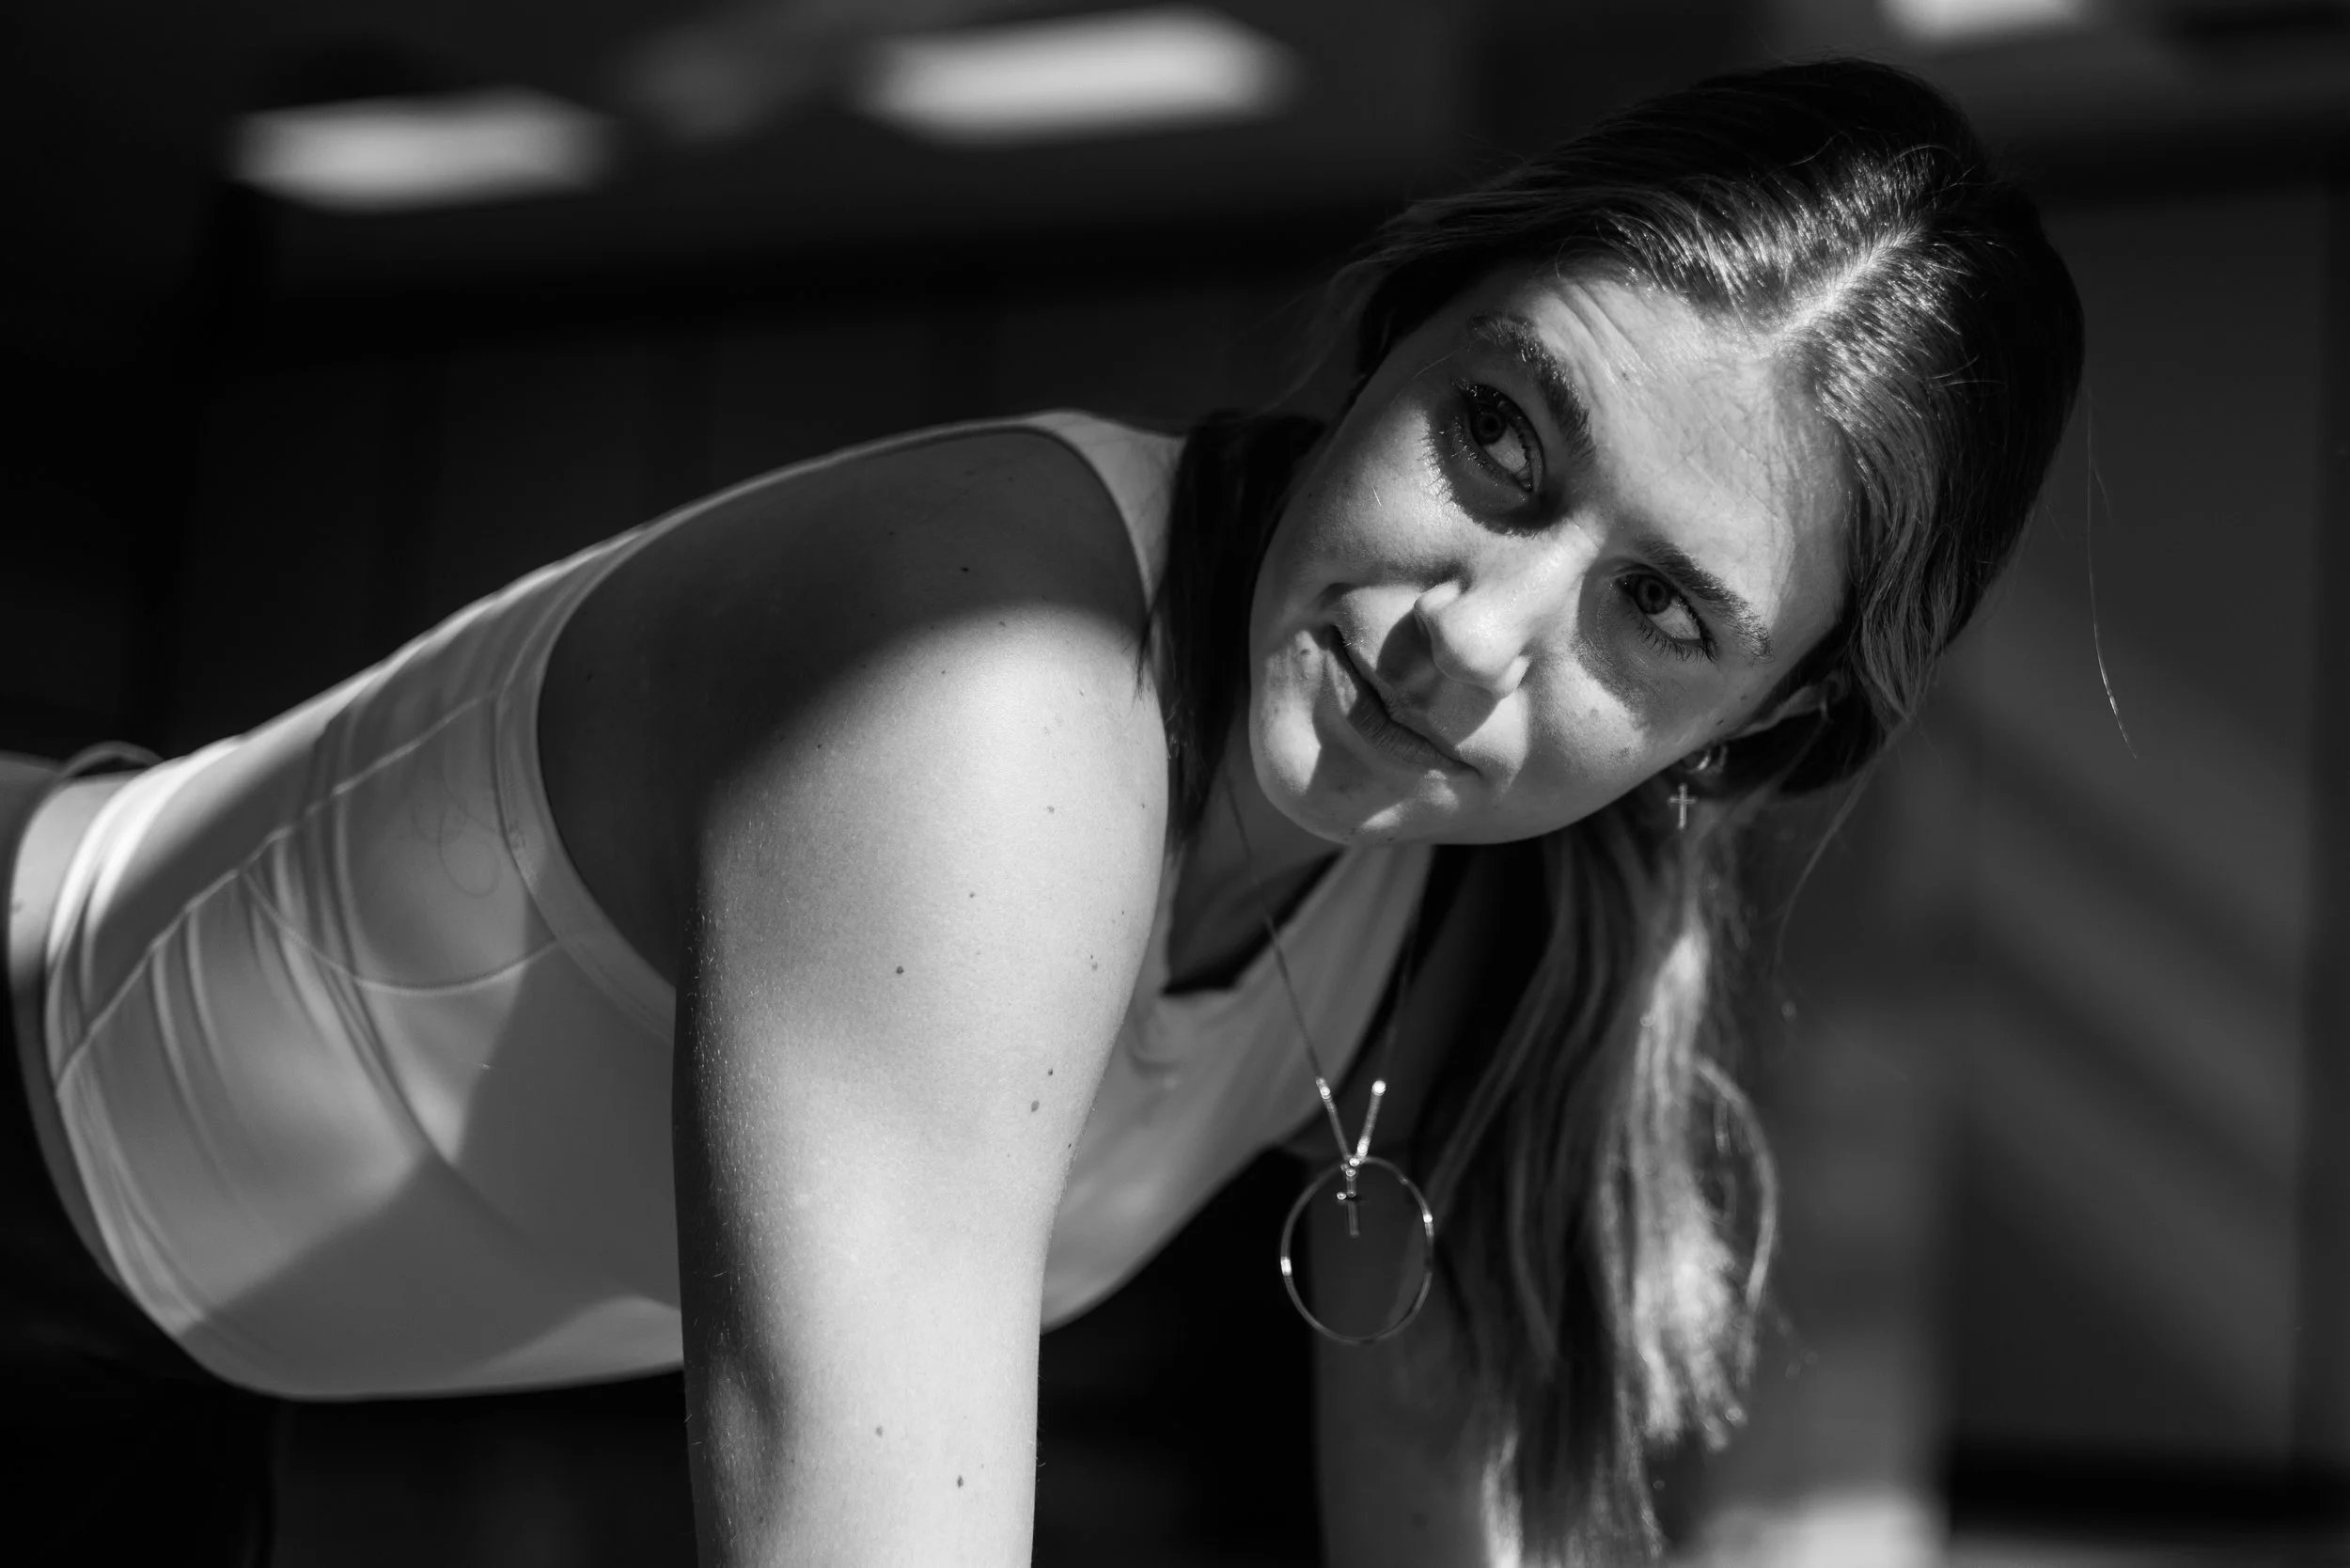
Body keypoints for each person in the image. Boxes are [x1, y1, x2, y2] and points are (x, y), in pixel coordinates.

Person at [1, 57, 2082, 1567]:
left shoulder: (1475, 925)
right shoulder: (983, 691)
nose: (1470, 637)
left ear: (1745, 733)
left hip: (177, 1361)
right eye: (1498, 435)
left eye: (1654, 612)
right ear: (1389, 341)